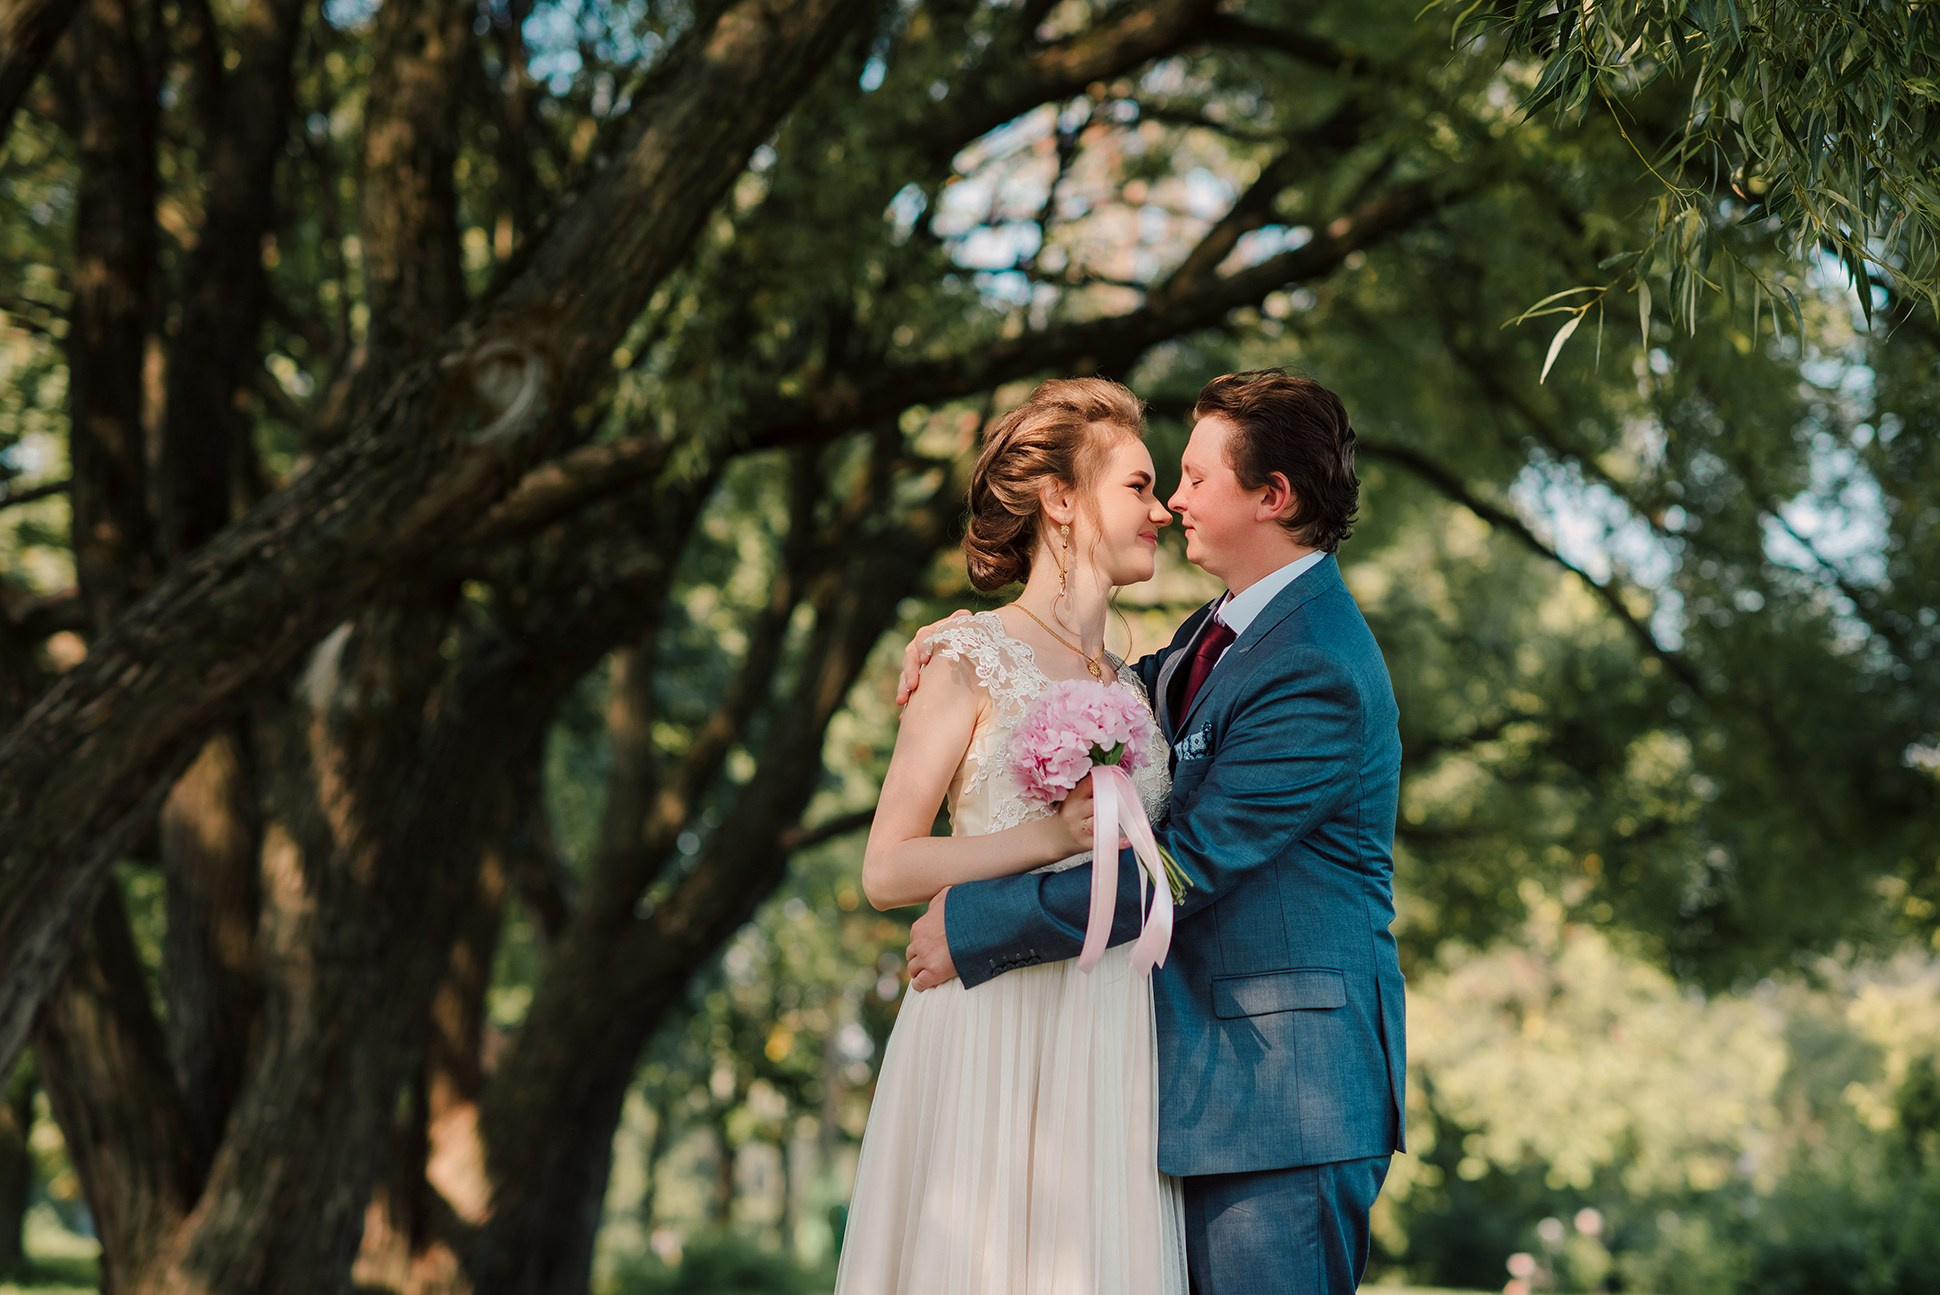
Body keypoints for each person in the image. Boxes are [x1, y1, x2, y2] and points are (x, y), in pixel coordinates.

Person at [900, 369, 1406, 1294]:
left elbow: (1182, 867)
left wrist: (978, 924)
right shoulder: (1211, 637)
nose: (1173, 502)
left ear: (1272, 496)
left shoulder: (1317, 665)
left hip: (1283, 1106)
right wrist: (968, 641)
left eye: (1194, 476)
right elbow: (1069, 675)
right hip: (1188, 1091)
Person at [833, 377, 1189, 1295]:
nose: (1162, 512)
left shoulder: (1142, 684)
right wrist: (1046, 836)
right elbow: (887, 866)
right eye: (1139, 487)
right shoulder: (967, 656)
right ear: (1061, 500)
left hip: (1111, 1034)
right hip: (992, 1021)